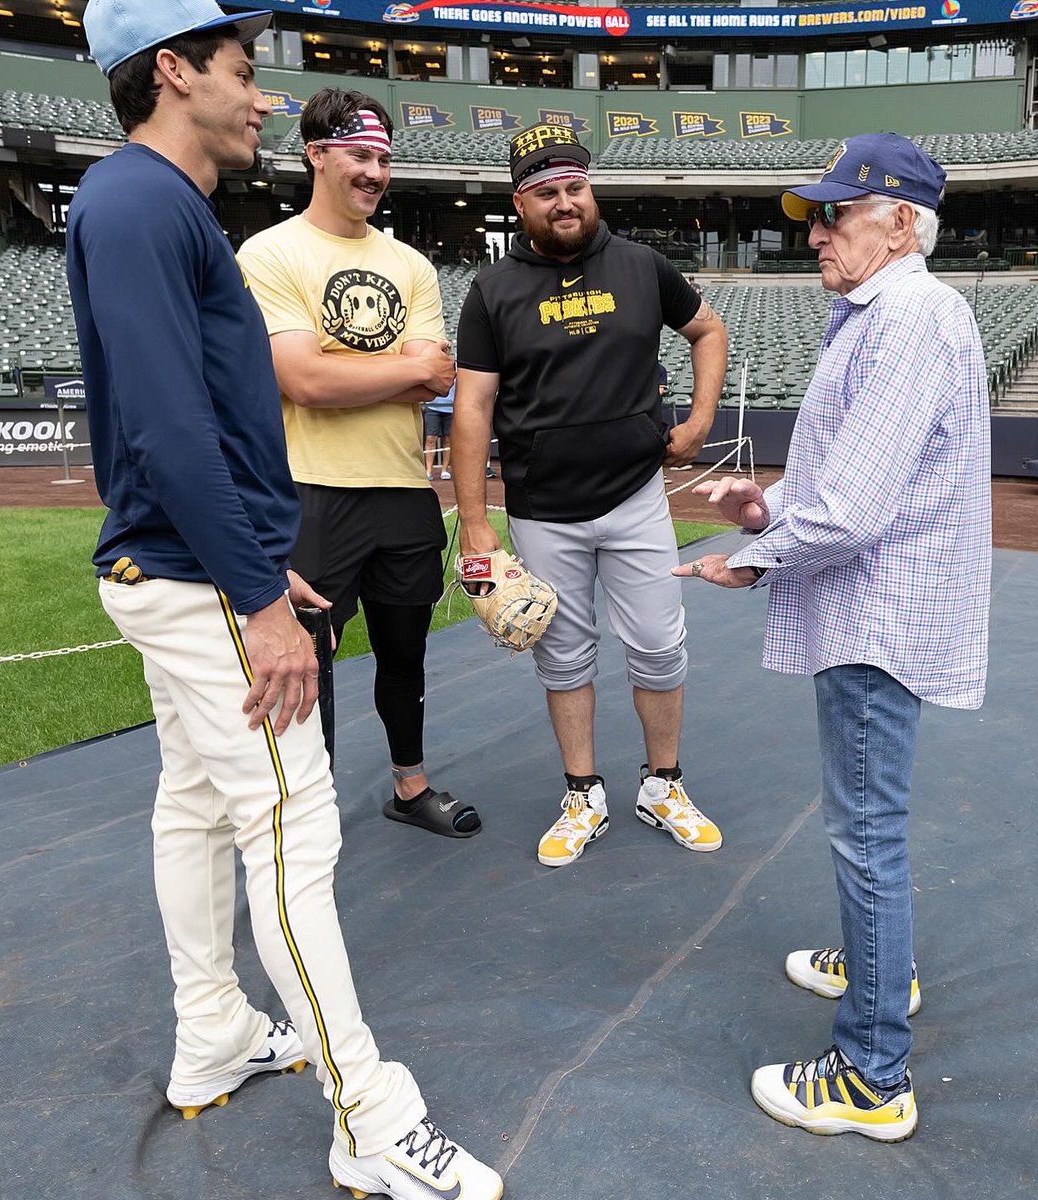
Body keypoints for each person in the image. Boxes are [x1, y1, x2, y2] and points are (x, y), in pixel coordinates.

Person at [66, 6, 500, 1197]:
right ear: (174, 72)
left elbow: (191, 416)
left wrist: (261, 555)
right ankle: (366, 1115)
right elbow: (163, 425)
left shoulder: (145, 203)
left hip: (196, 565)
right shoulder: (143, 201)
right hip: (201, 578)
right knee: (293, 829)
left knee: (199, 810)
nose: (261, 97)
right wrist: (256, 592)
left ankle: (211, 1030)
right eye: (243, 71)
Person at [676, 133, 990, 1142]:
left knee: (866, 834)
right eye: (816, 214)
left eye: (839, 213)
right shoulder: (885, 313)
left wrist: (750, 557)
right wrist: (766, 511)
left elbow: (853, 515)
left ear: (902, 223)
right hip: (873, 604)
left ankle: (870, 1076)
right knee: (868, 829)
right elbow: (851, 489)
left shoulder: (908, 316)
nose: (816, 230)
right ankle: (877, 969)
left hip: (876, 616)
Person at [452, 123, 728, 868]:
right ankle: (584, 791)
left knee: (661, 647)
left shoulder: (640, 265)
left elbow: (708, 329)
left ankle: (662, 783)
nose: (566, 202)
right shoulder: (492, 290)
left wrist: (700, 419)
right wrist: (476, 524)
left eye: (575, 187)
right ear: (521, 203)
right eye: (547, 193)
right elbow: (472, 408)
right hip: (543, 509)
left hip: (637, 496)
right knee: (564, 658)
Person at [238, 88, 482, 839]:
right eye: (359, 156)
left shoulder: (408, 263)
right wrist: (393, 374)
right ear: (317, 155)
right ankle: (308, 814)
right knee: (306, 660)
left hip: (403, 490)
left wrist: (345, 370)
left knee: (405, 654)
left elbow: (437, 375)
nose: (375, 172)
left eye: (383, 158)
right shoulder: (270, 253)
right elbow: (303, 383)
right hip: (310, 491)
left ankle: (410, 787)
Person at [424, 377, 454, 481]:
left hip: (451, 407)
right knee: (430, 439)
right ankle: (428, 470)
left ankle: (445, 470)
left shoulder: (458, 367)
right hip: (432, 407)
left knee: (448, 440)